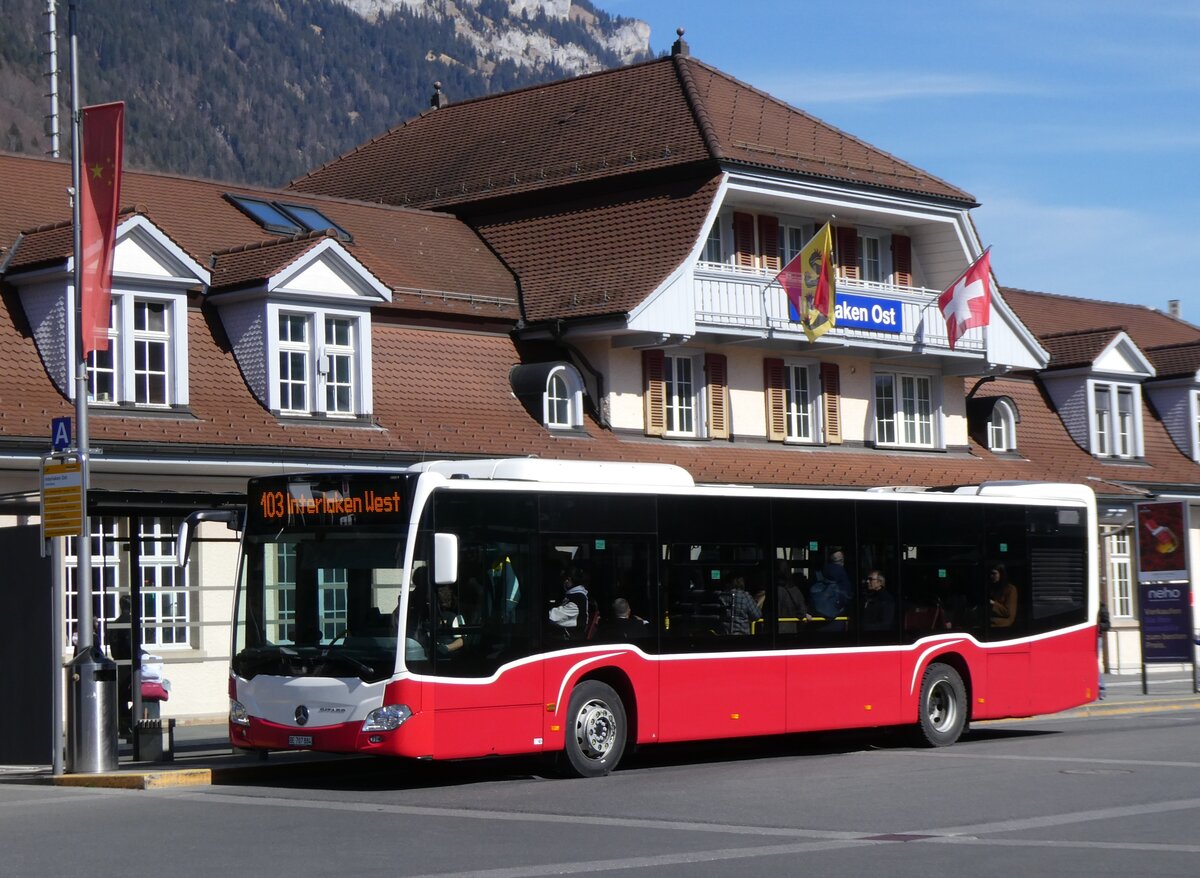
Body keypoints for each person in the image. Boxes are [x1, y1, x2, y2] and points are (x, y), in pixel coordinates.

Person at [110, 595, 134, 736]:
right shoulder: (131, 622)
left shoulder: (115, 624)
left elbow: (113, 647)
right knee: (137, 694)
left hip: (119, 663)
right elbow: (131, 645)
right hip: (129, 663)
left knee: (122, 698)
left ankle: (123, 725)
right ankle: (127, 722)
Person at [548, 566, 590, 640]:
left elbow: (553, 617)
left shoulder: (578, 599)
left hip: (571, 639)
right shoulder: (573, 595)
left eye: (563, 579)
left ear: (568, 579)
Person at [775, 561, 812, 633]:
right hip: (791, 629)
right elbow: (801, 612)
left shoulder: (772, 590)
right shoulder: (794, 590)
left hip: (774, 630)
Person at [989, 564, 1018, 628]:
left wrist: (993, 603)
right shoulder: (992, 588)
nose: (991, 576)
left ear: (1001, 574)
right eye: (990, 574)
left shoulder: (1011, 589)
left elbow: (1008, 613)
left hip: (1003, 627)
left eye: (994, 574)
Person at [1097, 601, 1111, 699]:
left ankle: (1101, 688)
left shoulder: (1101, 607)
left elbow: (1107, 625)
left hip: (1097, 638)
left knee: (1093, 662)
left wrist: (1098, 627)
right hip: (1087, 637)